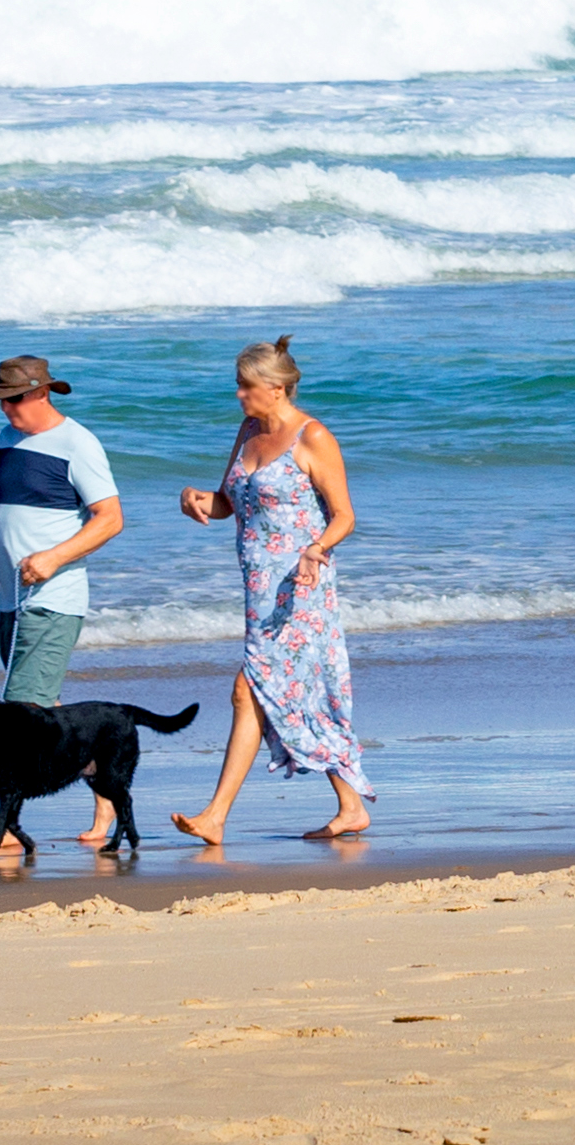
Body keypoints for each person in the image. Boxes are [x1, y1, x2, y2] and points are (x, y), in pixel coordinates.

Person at [173, 335, 366, 844]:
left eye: (246, 386)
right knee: (293, 691)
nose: (239, 394)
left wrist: (316, 548)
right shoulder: (248, 432)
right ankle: (350, 806)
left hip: (301, 588)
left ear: (276, 388)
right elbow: (226, 504)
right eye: (238, 385)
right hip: (259, 593)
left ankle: (215, 816)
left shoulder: (313, 436)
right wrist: (193, 497)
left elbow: (344, 515)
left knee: (250, 690)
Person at [0, 354, 118, 856]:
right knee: (45, 711)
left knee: (18, 714)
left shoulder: (77, 443)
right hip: (11, 598)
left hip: (53, 598)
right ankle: (104, 797)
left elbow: (109, 518)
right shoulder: (6, 439)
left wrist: (54, 557)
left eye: (14, 399)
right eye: (1, 400)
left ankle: (7, 828)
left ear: (42, 392)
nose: (6, 408)